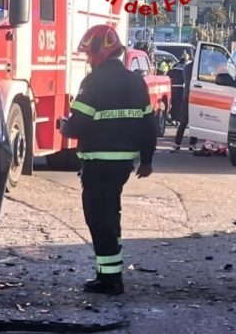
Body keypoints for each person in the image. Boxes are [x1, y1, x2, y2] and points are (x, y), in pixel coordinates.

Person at [58, 24, 157, 295]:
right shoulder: (136, 82)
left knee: (98, 219)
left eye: (89, 54)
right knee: (111, 217)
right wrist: (147, 160)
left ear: (101, 51)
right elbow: (149, 124)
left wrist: (63, 126)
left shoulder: (93, 83)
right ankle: (108, 273)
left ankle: (111, 280)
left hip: (97, 164)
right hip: (124, 165)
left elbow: (77, 126)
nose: (89, 60)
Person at [170, 58, 199, 152]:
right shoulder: (194, 68)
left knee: (186, 121)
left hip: (189, 96)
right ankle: (188, 144)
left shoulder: (188, 67)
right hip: (192, 96)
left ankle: (180, 143)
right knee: (188, 121)